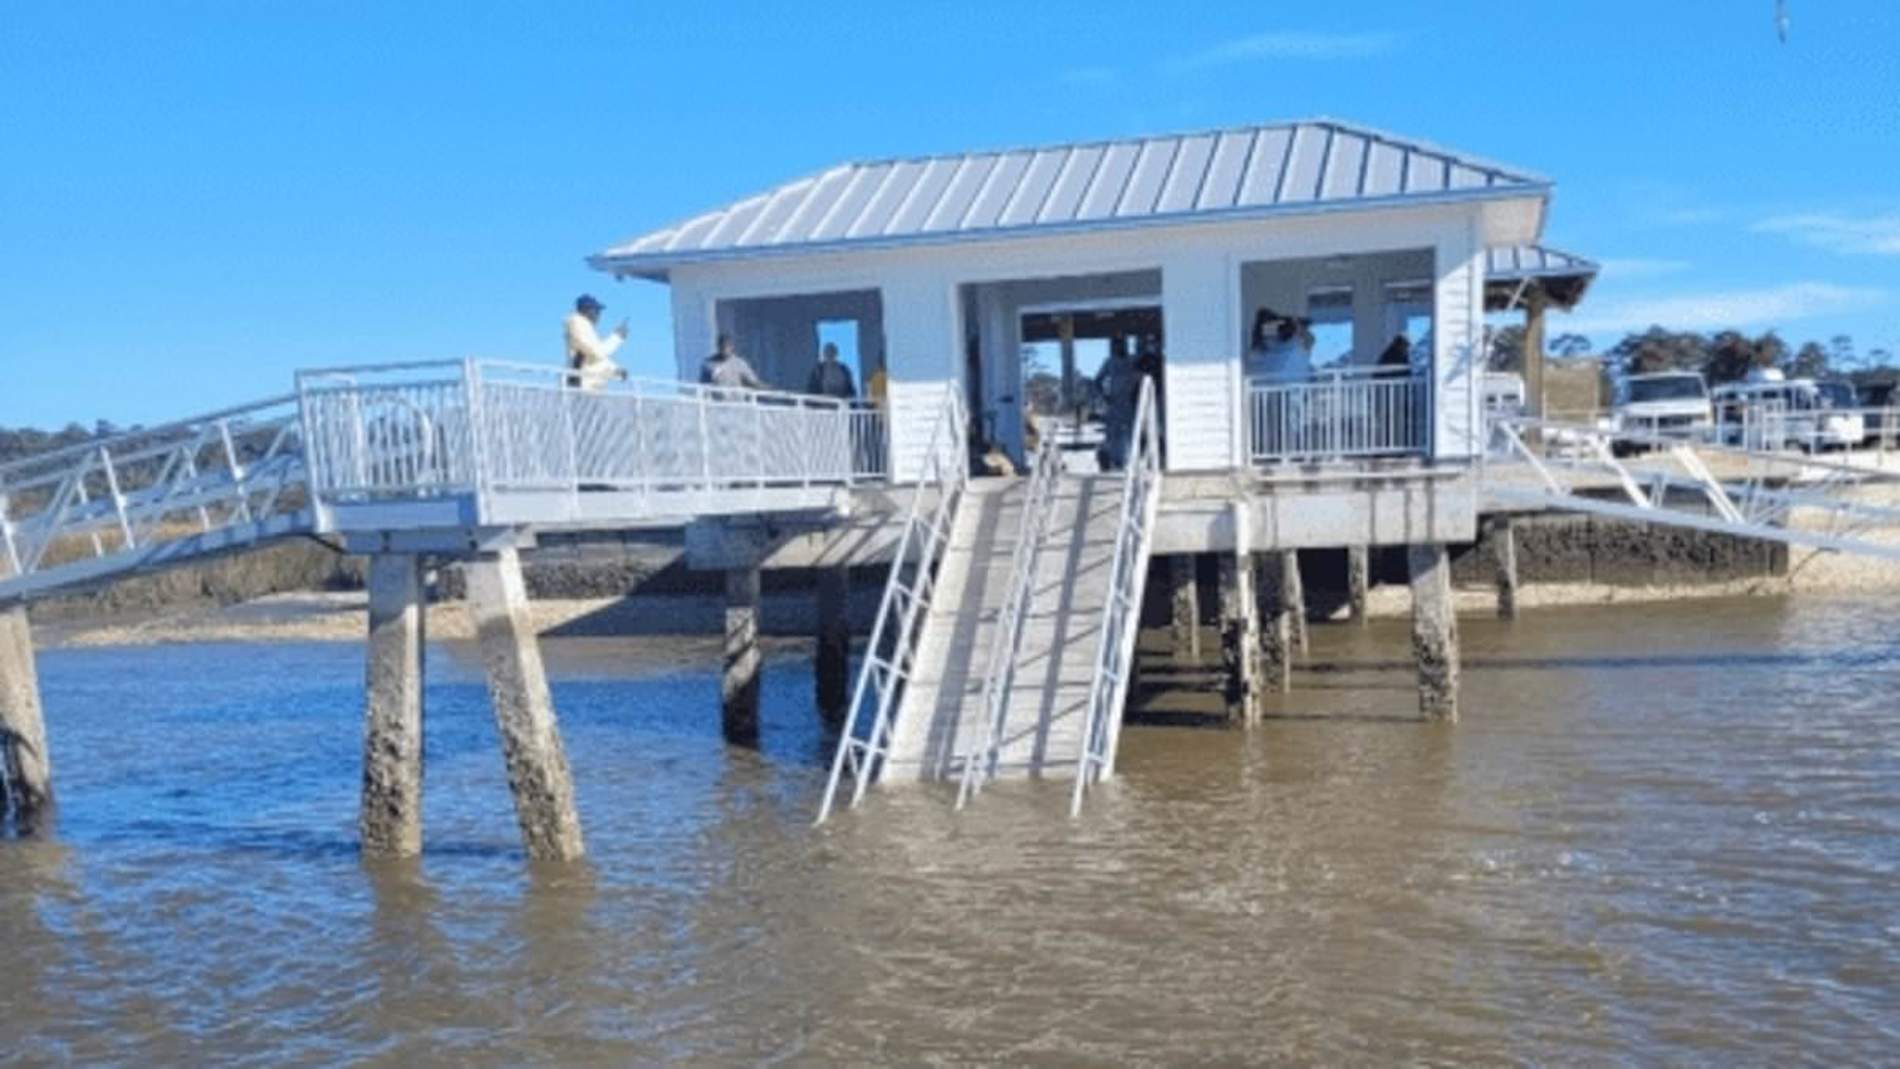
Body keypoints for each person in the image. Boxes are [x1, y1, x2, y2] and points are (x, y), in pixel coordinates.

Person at [565, 294, 629, 391]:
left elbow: (594, 360)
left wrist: (615, 370)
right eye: (597, 310)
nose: (599, 315)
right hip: (581, 385)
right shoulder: (578, 323)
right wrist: (617, 337)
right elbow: (596, 353)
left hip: (590, 386)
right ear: (586, 310)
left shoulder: (584, 327)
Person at [1094, 344, 1142, 471]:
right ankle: (1115, 462)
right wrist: (1105, 396)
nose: (1120, 347)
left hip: (1129, 404)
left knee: (1131, 433)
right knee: (1113, 434)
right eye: (1117, 344)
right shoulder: (1109, 362)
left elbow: (1141, 376)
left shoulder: (1133, 360)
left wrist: (1136, 395)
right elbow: (1097, 381)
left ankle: (1130, 462)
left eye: (1122, 343)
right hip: (1114, 404)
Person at [699, 333, 765, 394]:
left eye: (727, 346)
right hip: (717, 404)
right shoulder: (709, 364)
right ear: (718, 346)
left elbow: (752, 382)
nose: (725, 349)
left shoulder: (740, 363)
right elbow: (703, 385)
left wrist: (765, 388)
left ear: (732, 347)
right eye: (722, 346)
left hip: (736, 404)